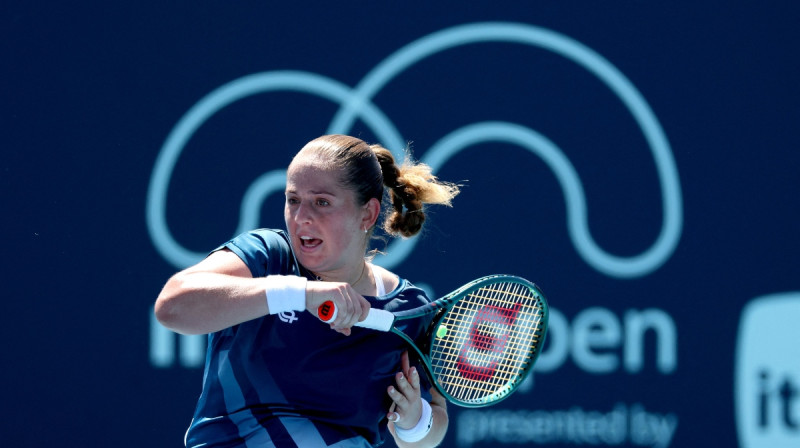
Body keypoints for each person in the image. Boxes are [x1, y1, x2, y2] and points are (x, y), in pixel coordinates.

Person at [155, 134, 460, 448]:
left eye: (322, 202)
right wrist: (298, 294)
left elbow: (430, 429)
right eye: (293, 200)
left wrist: (414, 421)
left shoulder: (408, 310)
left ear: (367, 214)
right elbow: (172, 307)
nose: (301, 219)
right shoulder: (267, 257)